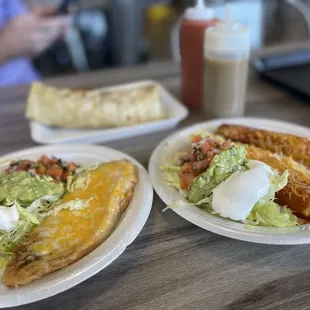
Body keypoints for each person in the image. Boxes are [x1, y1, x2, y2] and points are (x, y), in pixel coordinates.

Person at [0, 0, 70, 87]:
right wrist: (5, 47)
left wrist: (44, 20)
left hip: (32, 84)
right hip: (6, 93)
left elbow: (21, 19)